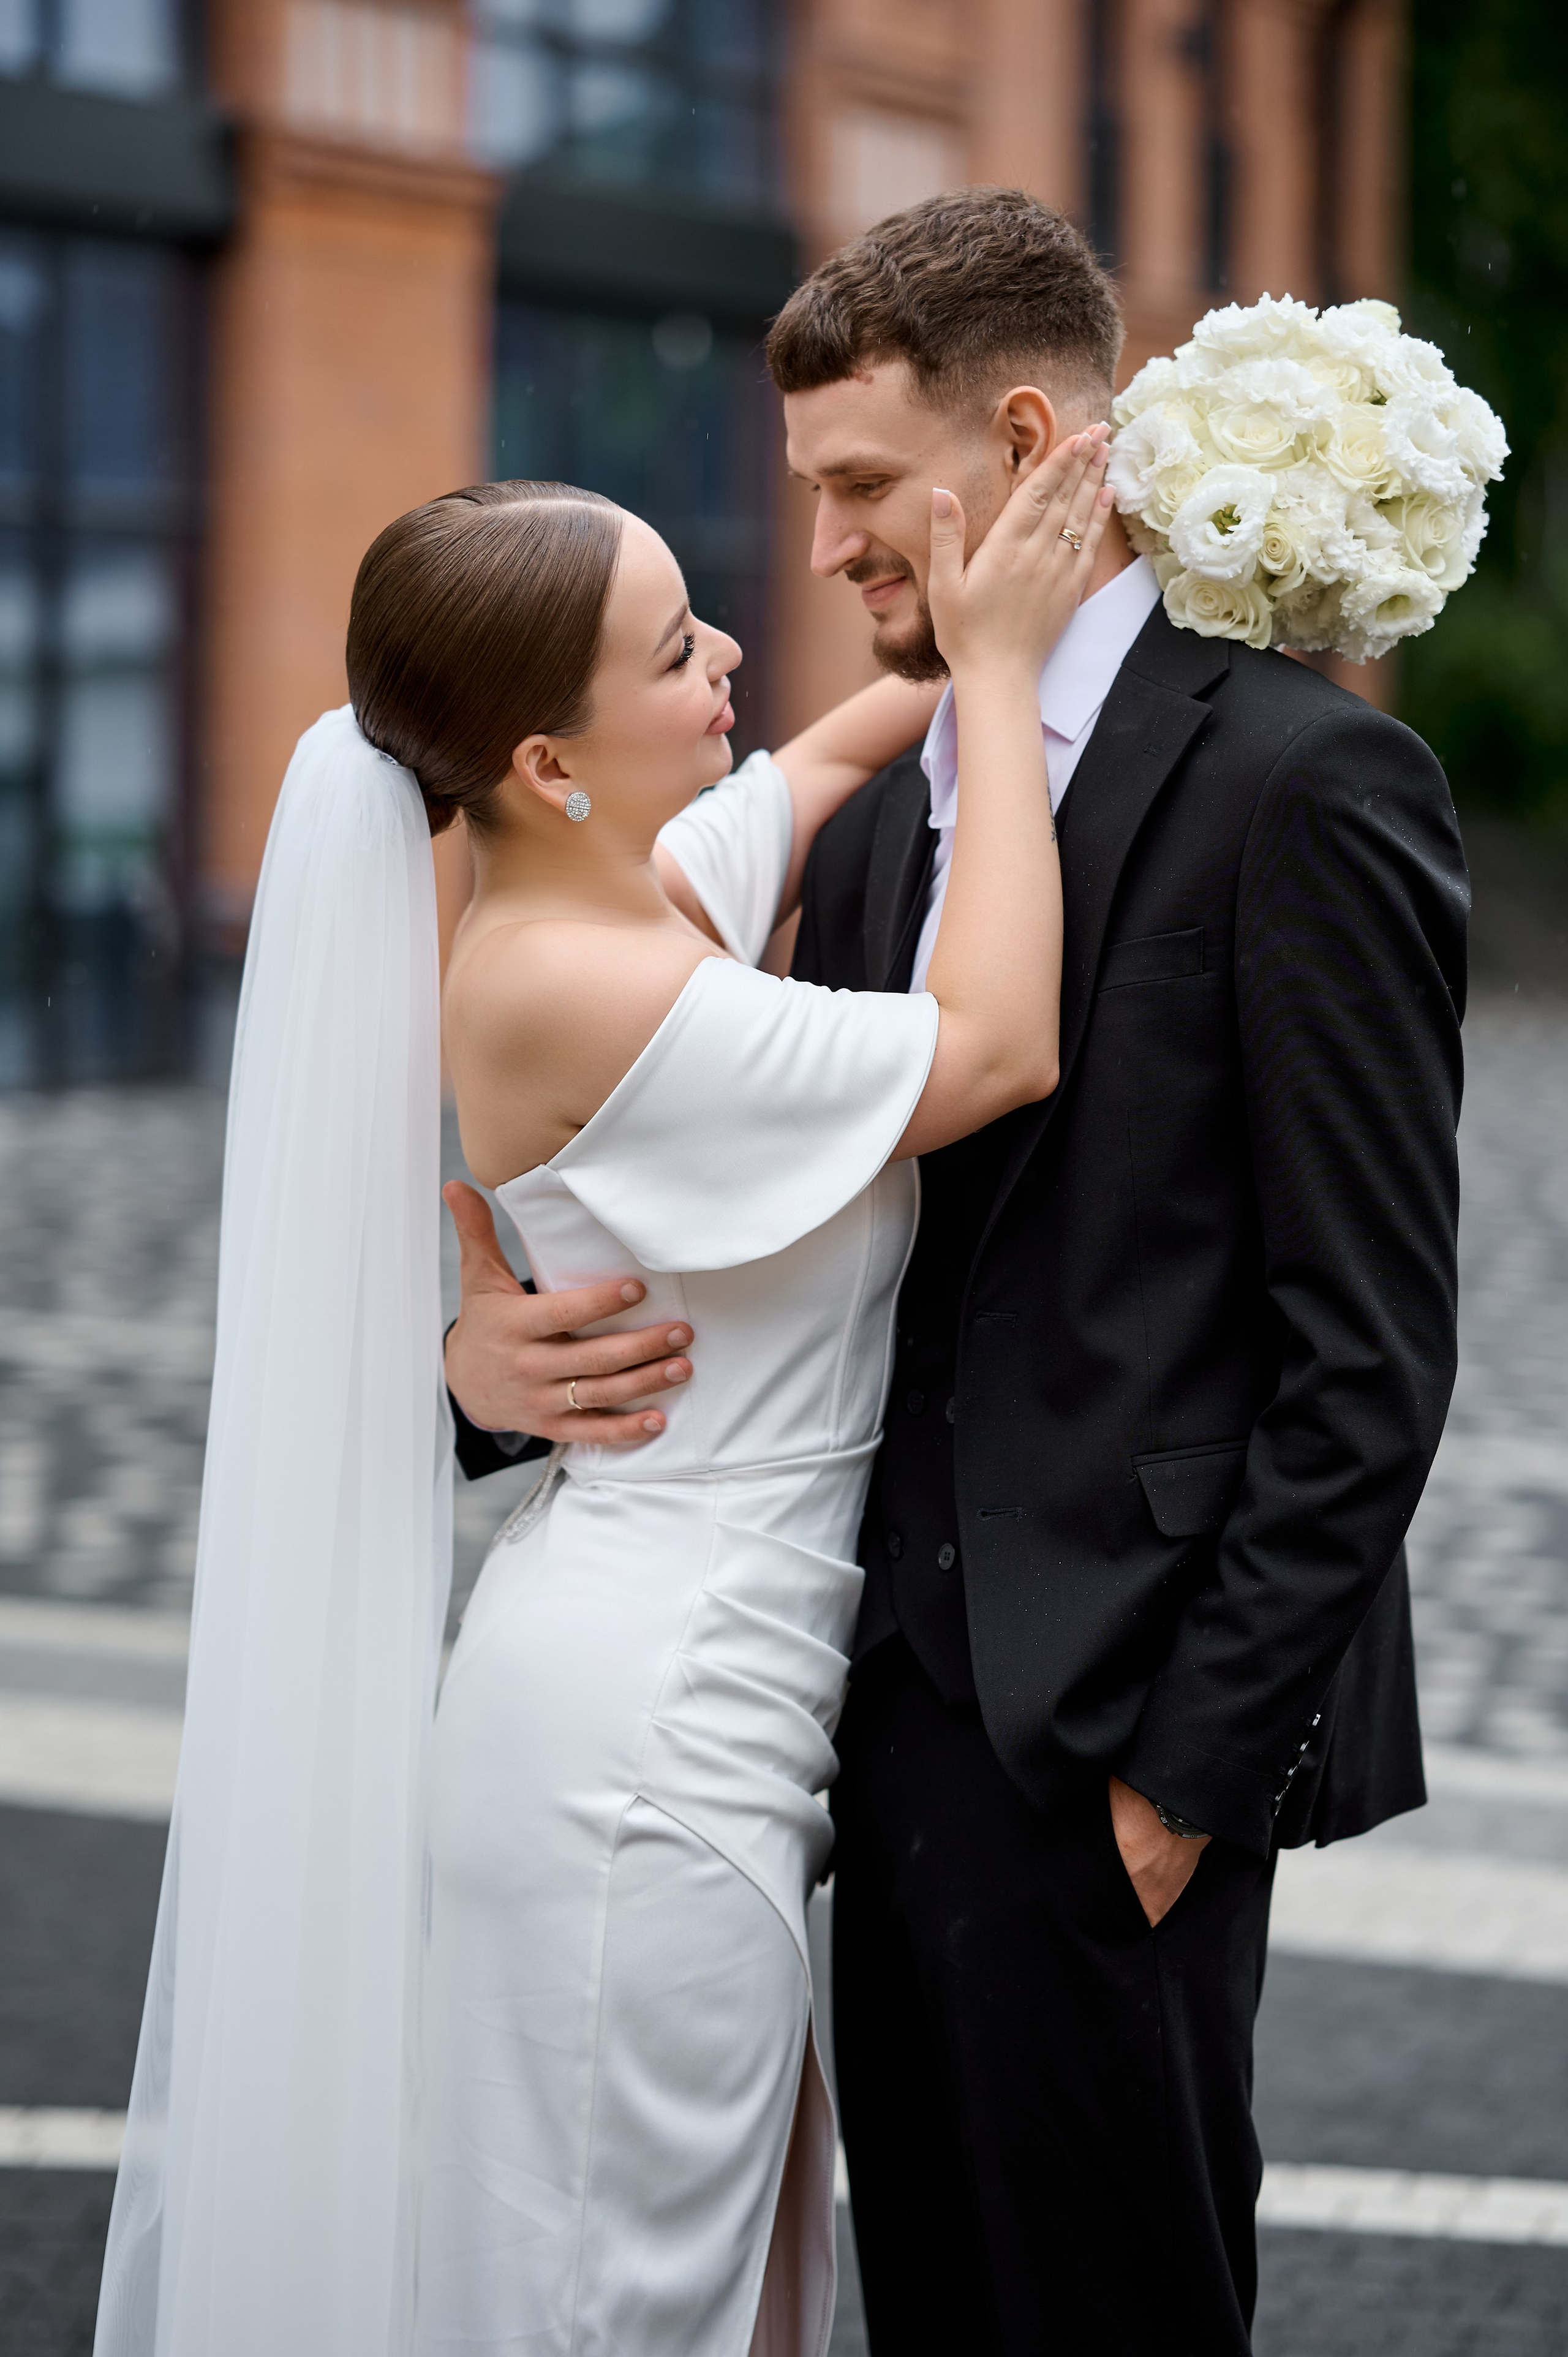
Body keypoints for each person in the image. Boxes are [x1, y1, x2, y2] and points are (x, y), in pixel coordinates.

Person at [448, 190, 1468, 2354]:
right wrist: (482, 1365)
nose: (818, 554)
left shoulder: (1312, 782)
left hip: (1121, 1741)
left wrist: (1186, 1782)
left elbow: (1367, 1359)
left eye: (850, 489)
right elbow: (723, 1204)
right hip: (855, 1731)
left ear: (1020, 442)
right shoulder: (893, 802)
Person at [94, 439, 1116, 2357]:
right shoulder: (571, 976)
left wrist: (1025, 603)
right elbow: (994, 1045)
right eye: (675, 649)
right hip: (648, 1756)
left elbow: (815, 769)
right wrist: (992, 674)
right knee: (614, 2312)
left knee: (706, 2293)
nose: (733, 647)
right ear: (549, 763)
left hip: (686, 1704)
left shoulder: (632, 882)